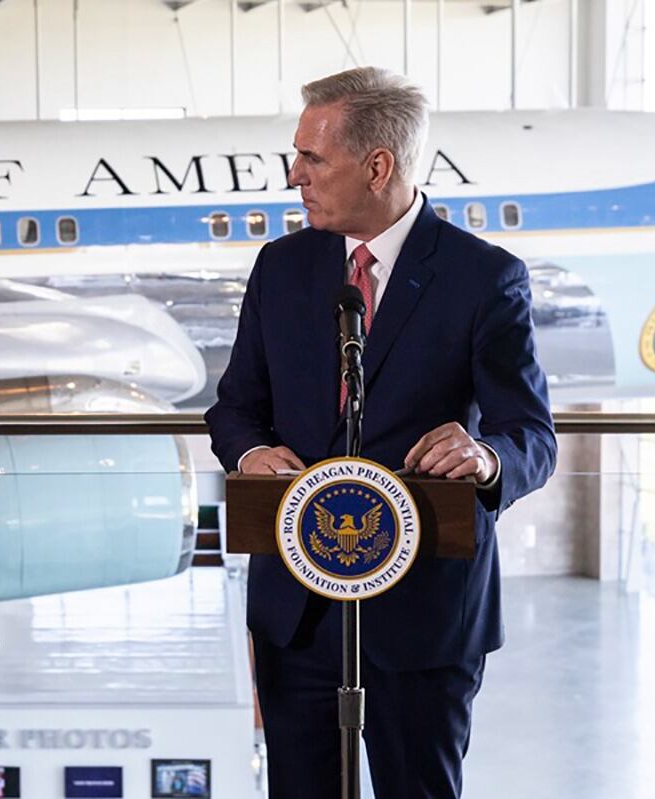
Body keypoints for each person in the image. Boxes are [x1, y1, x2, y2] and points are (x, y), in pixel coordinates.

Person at [205, 67, 556, 798]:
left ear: (377, 165)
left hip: (423, 618)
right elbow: (233, 407)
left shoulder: (483, 278)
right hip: (296, 614)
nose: (294, 175)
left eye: (312, 159)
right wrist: (250, 450)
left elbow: (532, 435)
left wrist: (487, 457)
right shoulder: (280, 267)